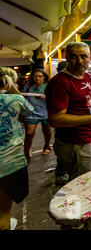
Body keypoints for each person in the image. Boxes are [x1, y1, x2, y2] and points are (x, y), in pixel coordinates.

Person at [45, 42, 91, 181]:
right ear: (66, 58)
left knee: (90, 178)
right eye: (74, 57)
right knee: (82, 184)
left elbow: (90, 99)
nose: (79, 61)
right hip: (74, 143)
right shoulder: (59, 83)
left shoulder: (85, 77)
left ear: (89, 58)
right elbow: (56, 119)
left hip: (88, 138)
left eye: (83, 56)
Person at [0, 67, 34, 230]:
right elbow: (30, 110)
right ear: (9, 83)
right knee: (4, 212)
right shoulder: (15, 99)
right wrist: (14, 91)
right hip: (9, 161)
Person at [22, 69, 52, 161]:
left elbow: (54, 97)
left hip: (45, 112)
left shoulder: (49, 86)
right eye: (35, 76)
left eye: (39, 76)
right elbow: (23, 96)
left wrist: (46, 97)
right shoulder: (29, 85)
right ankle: (26, 154)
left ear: (44, 77)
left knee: (47, 131)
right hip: (31, 113)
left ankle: (47, 146)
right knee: (29, 133)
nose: (37, 78)